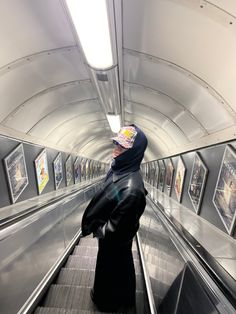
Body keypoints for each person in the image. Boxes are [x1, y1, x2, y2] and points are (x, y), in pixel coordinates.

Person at [81, 124, 148, 312]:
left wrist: (98, 229)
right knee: (111, 269)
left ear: (134, 152)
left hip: (114, 245)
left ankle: (109, 304)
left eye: (122, 147)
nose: (115, 151)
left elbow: (116, 232)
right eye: (116, 145)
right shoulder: (121, 169)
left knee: (112, 273)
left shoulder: (132, 190)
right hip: (111, 245)